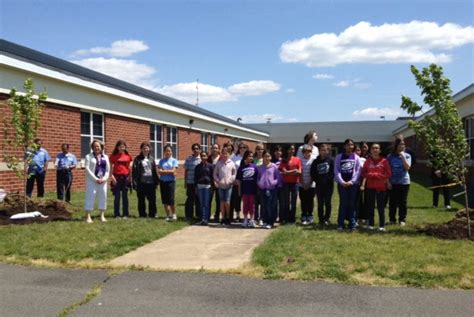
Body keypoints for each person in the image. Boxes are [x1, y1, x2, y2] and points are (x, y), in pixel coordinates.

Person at [361, 143, 392, 231]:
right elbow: (363, 173)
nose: (375, 150)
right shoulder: (367, 161)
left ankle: (381, 225)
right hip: (370, 187)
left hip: (381, 188)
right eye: (373, 148)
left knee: (381, 207)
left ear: (380, 150)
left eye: (377, 148)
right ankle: (371, 224)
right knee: (370, 206)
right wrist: (371, 175)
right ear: (370, 151)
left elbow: (388, 173)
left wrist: (375, 176)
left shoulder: (384, 161)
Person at [334, 139, 361, 231]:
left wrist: (352, 182)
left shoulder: (356, 157)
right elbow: (336, 170)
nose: (350, 146)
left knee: (352, 204)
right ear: (344, 146)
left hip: (352, 185)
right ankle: (340, 224)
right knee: (343, 203)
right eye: (348, 145)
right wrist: (342, 182)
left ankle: (352, 224)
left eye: (352, 145)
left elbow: (358, 171)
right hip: (342, 185)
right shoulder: (339, 157)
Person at [387, 137, 411, 226]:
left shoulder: (407, 156)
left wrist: (403, 156)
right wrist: (388, 182)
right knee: (392, 202)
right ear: (396, 146)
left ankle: (402, 219)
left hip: (404, 182)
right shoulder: (390, 156)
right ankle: (392, 219)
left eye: (403, 144)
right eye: (400, 144)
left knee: (402, 201)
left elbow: (407, 168)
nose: (402, 146)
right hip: (393, 182)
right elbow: (387, 170)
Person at [84, 140, 110, 223]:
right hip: (92, 181)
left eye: (98, 146)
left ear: (101, 147)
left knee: (103, 196)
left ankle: (102, 215)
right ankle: (88, 216)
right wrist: (96, 179)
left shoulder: (105, 157)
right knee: (90, 196)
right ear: (92, 147)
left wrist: (105, 178)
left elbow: (107, 170)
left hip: (103, 181)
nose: (96, 148)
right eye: (94, 146)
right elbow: (87, 169)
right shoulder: (88, 156)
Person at [132, 142, 159, 218]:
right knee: (141, 200)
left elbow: (154, 171)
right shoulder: (137, 159)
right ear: (141, 149)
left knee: (152, 200)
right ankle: (142, 214)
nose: (145, 149)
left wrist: (156, 181)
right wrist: (134, 183)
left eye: (147, 148)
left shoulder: (151, 159)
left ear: (149, 149)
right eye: (144, 148)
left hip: (151, 183)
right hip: (141, 183)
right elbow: (134, 171)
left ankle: (152, 214)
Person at [311, 144, 334, 226]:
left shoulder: (331, 160)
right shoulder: (315, 161)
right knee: (320, 203)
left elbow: (333, 172)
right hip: (319, 186)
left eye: (325, 150)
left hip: (328, 186)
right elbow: (312, 172)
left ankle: (327, 219)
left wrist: (328, 180)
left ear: (328, 151)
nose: (323, 152)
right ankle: (321, 220)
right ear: (319, 151)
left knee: (328, 203)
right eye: (322, 150)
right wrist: (317, 180)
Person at [213, 144, 236, 225]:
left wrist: (231, 180)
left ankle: (228, 217)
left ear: (229, 154)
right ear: (221, 154)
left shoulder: (232, 163)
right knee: (222, 202)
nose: (225, 155)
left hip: (229, 186)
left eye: (227, 153)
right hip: (221, 186)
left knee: (227, 202)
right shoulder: (219, 163)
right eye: (223, 153)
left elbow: (234, 173)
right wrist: (217, 181)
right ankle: (223, 218)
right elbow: (215, 174)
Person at [109, 140, 133, 219]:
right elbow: (110, 168)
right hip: (116, 178)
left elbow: (129, 168)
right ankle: (117, 214)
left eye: (123, 146)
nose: (121, 148)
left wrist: (130, 177)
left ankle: (125, 214)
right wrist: (112, 177)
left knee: (125, 197)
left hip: (125, 178)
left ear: (125, 147)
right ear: (117, 147)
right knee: (117, 197)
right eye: (120, 146)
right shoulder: (113, 156)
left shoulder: (128, 156)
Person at [257, 150, 280, 229]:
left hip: (271, 189)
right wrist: (259, 183)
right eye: (265, 156)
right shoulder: (260, 167)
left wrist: (273, 183)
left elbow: (278, 178)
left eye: (268, 156)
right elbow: (258, 178)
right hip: (262, 189)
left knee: (270, 206)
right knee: (263, 205)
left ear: (271, 157)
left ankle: (270, 222)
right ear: (262, 157)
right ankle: (265, 221)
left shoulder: (274, 166)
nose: (267, 158)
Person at [279, 144, 302, 225]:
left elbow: (299, 172)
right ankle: (286, 218)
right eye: (290, 149)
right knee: (286, 202)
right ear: (287, 150)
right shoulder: (283, 160)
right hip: (286, 184)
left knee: (293, 202)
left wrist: (290, 172)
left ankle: (292, 219)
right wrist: (294, 171)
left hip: (295, 184)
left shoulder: (297, 159)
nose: (292, 151)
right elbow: (283, 172)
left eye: (293, 149)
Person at [236, 150, 258, 228]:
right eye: (249, 156)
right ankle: (245, 220)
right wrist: (239, 191)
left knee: (252, 206)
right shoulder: (241, 168)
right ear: (245, 157)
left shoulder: (255, 167)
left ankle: (251, 220)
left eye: (252, 156)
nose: (251, 158)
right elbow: (238, 180)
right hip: (244, 190)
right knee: (245, 205)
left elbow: (257, 179)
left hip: (252, 190)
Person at [158, 144, 179, 221]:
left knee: (171, 199)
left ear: (171, 152)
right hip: (163, 182)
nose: (168, 152)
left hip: (171, 182)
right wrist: (169, 171)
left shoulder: (174, 160)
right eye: (166, 151)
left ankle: (174, 214)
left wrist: (164, 171)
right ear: (164, 152)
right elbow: (159, 172)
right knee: (164, 199)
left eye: (169, 151)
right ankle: (168, 215)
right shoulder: (161, 161)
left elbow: (174, 170)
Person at [194, 151, 213, 225]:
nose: (203, 157)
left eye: (204, 156)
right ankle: (202, 218)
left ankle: (206, 219)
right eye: (202, 156)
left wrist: (212, 187)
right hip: (199, 187)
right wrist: (196, 188)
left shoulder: (211, 166)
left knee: (206, 203)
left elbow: (212, 177)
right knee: (201, 203)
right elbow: (195, 178)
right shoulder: (197, 167)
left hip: (208, 187)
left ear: (207, 157)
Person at [299, 144, 316, 225]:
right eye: (305, 152)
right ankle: (304, 216)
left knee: (310, 201)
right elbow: (300, 173)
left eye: (309, 151)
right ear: (303, 153)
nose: (307, 153)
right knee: (303, 201)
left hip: (311, 185)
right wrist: (303, 183)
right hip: (302, 185)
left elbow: (313, 173)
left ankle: (310, 215)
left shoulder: (313, 160)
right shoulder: (300, 160)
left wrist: (309, 183)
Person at [184, 143, 202, 222]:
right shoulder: (188, 159)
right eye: (194, 148)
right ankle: (189, 215)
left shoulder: (202, 159)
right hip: (190, 182)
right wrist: (185, 182)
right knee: (190, 199)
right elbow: (186, 171)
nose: (195, 150)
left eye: (197, 148)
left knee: (198, 199)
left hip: (198, 183)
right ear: (192, 150)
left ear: (199, 150)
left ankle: (198, 216)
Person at [230, 142, 247, 222]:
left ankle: (247, 216)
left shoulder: (249, 157)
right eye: (240, 147)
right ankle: (237, 215)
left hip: (247, 182)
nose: (242, 149)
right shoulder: (234, 157)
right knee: (237, 199)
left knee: (247, 199)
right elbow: (231, 170)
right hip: (237, 182)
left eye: (244, 147)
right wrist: (233, 180)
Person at [354, 144, 368, 225]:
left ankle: (365, 218)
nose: (357, 152)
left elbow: (365, 173)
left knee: (365, 201)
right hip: (354, 183)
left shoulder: (363, 160)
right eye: (356, 150)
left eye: (359, 150)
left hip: (363, 183)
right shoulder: (351, 159)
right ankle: (356, 218)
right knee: (356, 202)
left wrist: (363, 184)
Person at [208, 143, 221, 222]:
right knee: (209, 200)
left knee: (218, 200)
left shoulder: (221, 158)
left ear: (219, 149)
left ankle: (217, 216)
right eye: (213, 148)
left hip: (219, 182)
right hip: (210, 182)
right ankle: (207, 216)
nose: (214, 149)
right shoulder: (208, 158)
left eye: (216, 148)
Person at [253, 143, 265, 224]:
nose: (260, 151)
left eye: (261, 149)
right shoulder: (253, 159)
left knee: (262, 202)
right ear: (256, 150)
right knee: (255, 202)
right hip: (254, 184)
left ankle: (261, 218)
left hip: (263, 184)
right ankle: (255, 218)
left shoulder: (265, 159)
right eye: (258, 149)